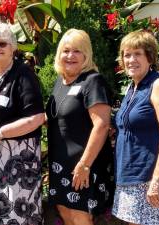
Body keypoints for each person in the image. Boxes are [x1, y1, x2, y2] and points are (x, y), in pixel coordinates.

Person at [0, 22, 45, 225]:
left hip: (17, 159)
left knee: (16, 211)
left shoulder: (23, 75)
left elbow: (36, 118)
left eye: (2, 43)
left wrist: (1, 132)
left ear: (12, 47)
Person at [46, 28, 113, 225]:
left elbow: (101, 125)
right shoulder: (60, 82)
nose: (70, 56)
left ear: (86, 54)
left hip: (83, 166)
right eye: (66, 50)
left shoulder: (93, 81)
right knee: (65, 213)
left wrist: (84, 165)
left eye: (77, 51)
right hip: (60, 164)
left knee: (81, 216)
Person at [112, 30, 159, 225]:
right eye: (126, 55)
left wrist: (156, 182)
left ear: (150, 57)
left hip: (153, 179)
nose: (131, 60)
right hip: (130, 177)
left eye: (137, 54)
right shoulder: (133, 88)